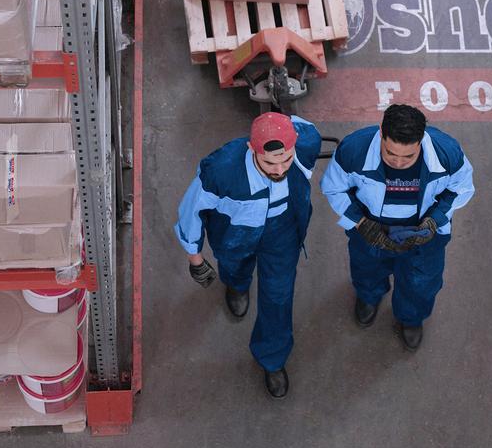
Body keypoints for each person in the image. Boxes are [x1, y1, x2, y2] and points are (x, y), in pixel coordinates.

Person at [174, 112, 321, 399]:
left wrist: (275, 120)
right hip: (235, 235)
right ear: (252, 150)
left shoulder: (307, 144)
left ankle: (272, 358)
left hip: (282, 233)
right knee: (235, 268)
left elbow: (304, 125)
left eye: (286, 159)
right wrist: (195, 257)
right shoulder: (220, 171)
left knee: (278, 297)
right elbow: (192, 209)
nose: (279, 169)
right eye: (269, 162)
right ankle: (237, 284)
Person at [320, 104, 474, 351]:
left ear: (422, 140)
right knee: (367, 269)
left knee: (422, 280)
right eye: (391, 153)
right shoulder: (353, 150)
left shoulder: (448, 153)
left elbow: (462, 189)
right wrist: (360, 223)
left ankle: (411, 317)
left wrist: (435, 219)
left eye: (409, 156)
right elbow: (334, 188)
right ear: (381, 133)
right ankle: (369, 296)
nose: (399, 162)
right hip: (369, 231)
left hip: (425, 235)